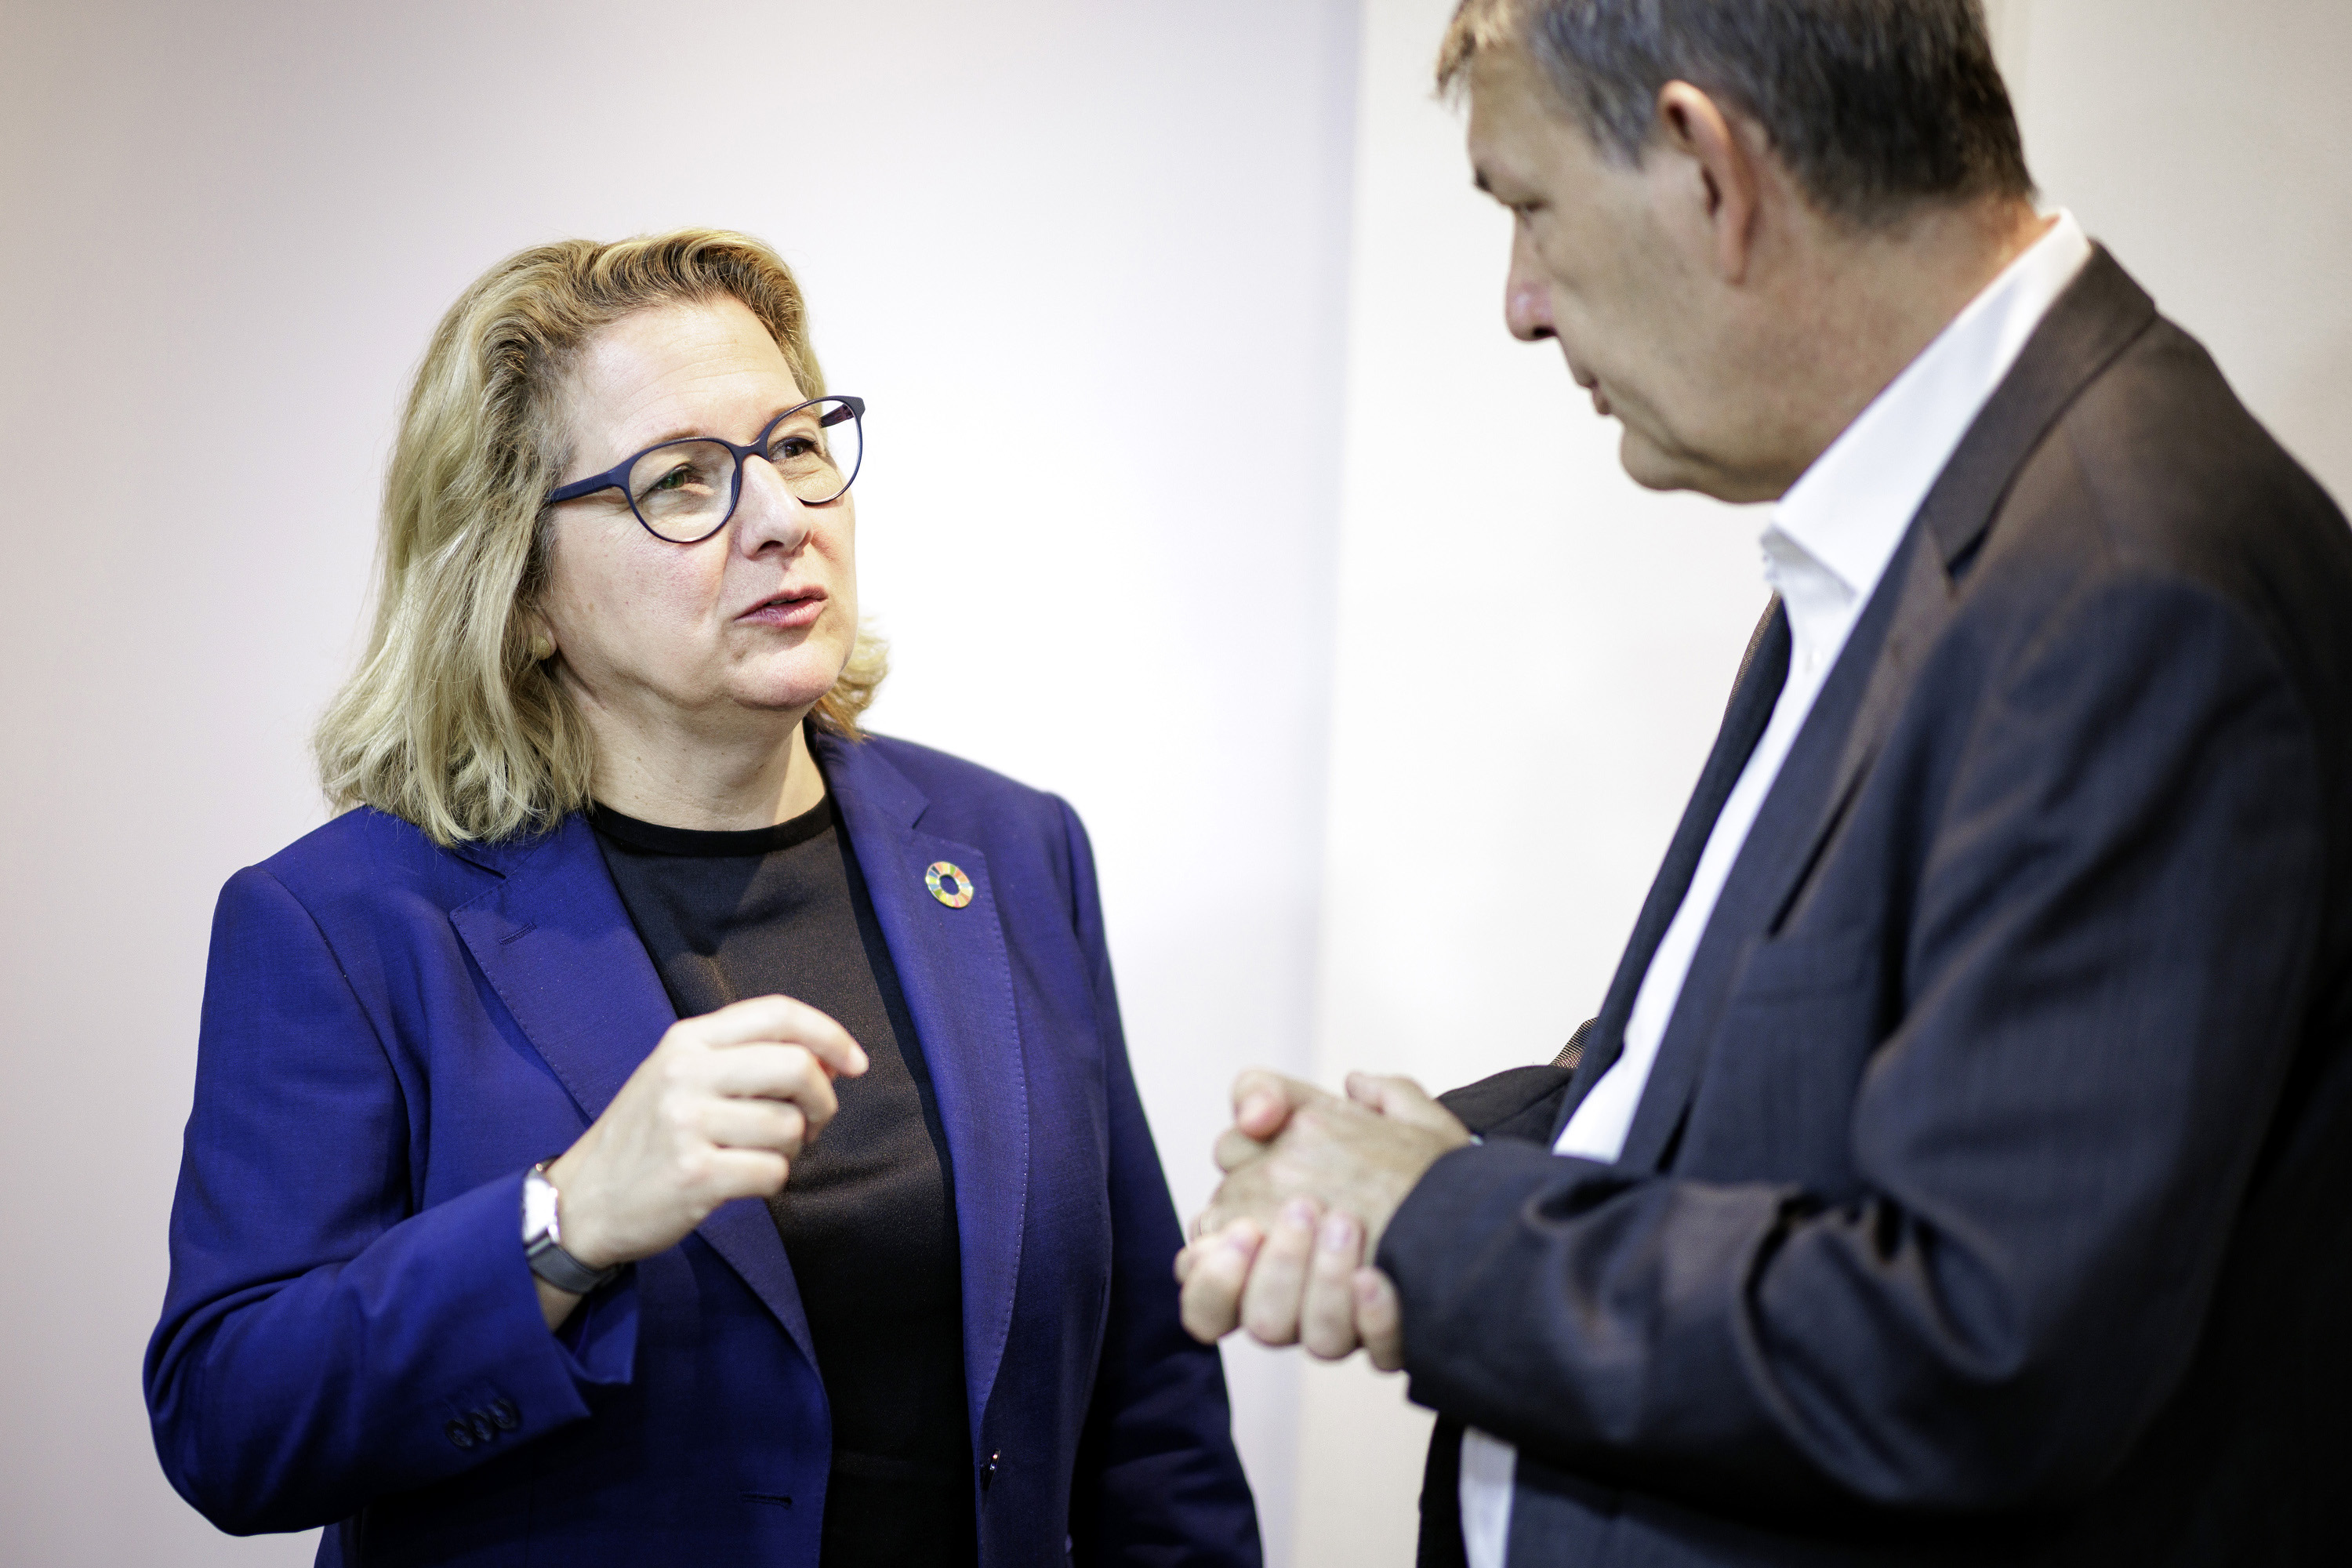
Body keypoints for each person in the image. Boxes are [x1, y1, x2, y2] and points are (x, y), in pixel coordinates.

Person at [1178, 3, 2352, 1566]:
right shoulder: (1938, 530)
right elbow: (1763, 1084)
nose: (1520, 306)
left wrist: (1425, 1219)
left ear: (1707, 168)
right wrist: (1419, 1155)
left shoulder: (2128, 592)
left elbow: (1971, 1351)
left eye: (1525, 207)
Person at [144, 229, 1261, 1567]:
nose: (784, 516)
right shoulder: (346, 923)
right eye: (683, 480)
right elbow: (230, 1422)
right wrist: (562, 1225)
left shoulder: (1011, 850)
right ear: (520, 590)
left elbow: (1145, 1393)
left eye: (795, 447)